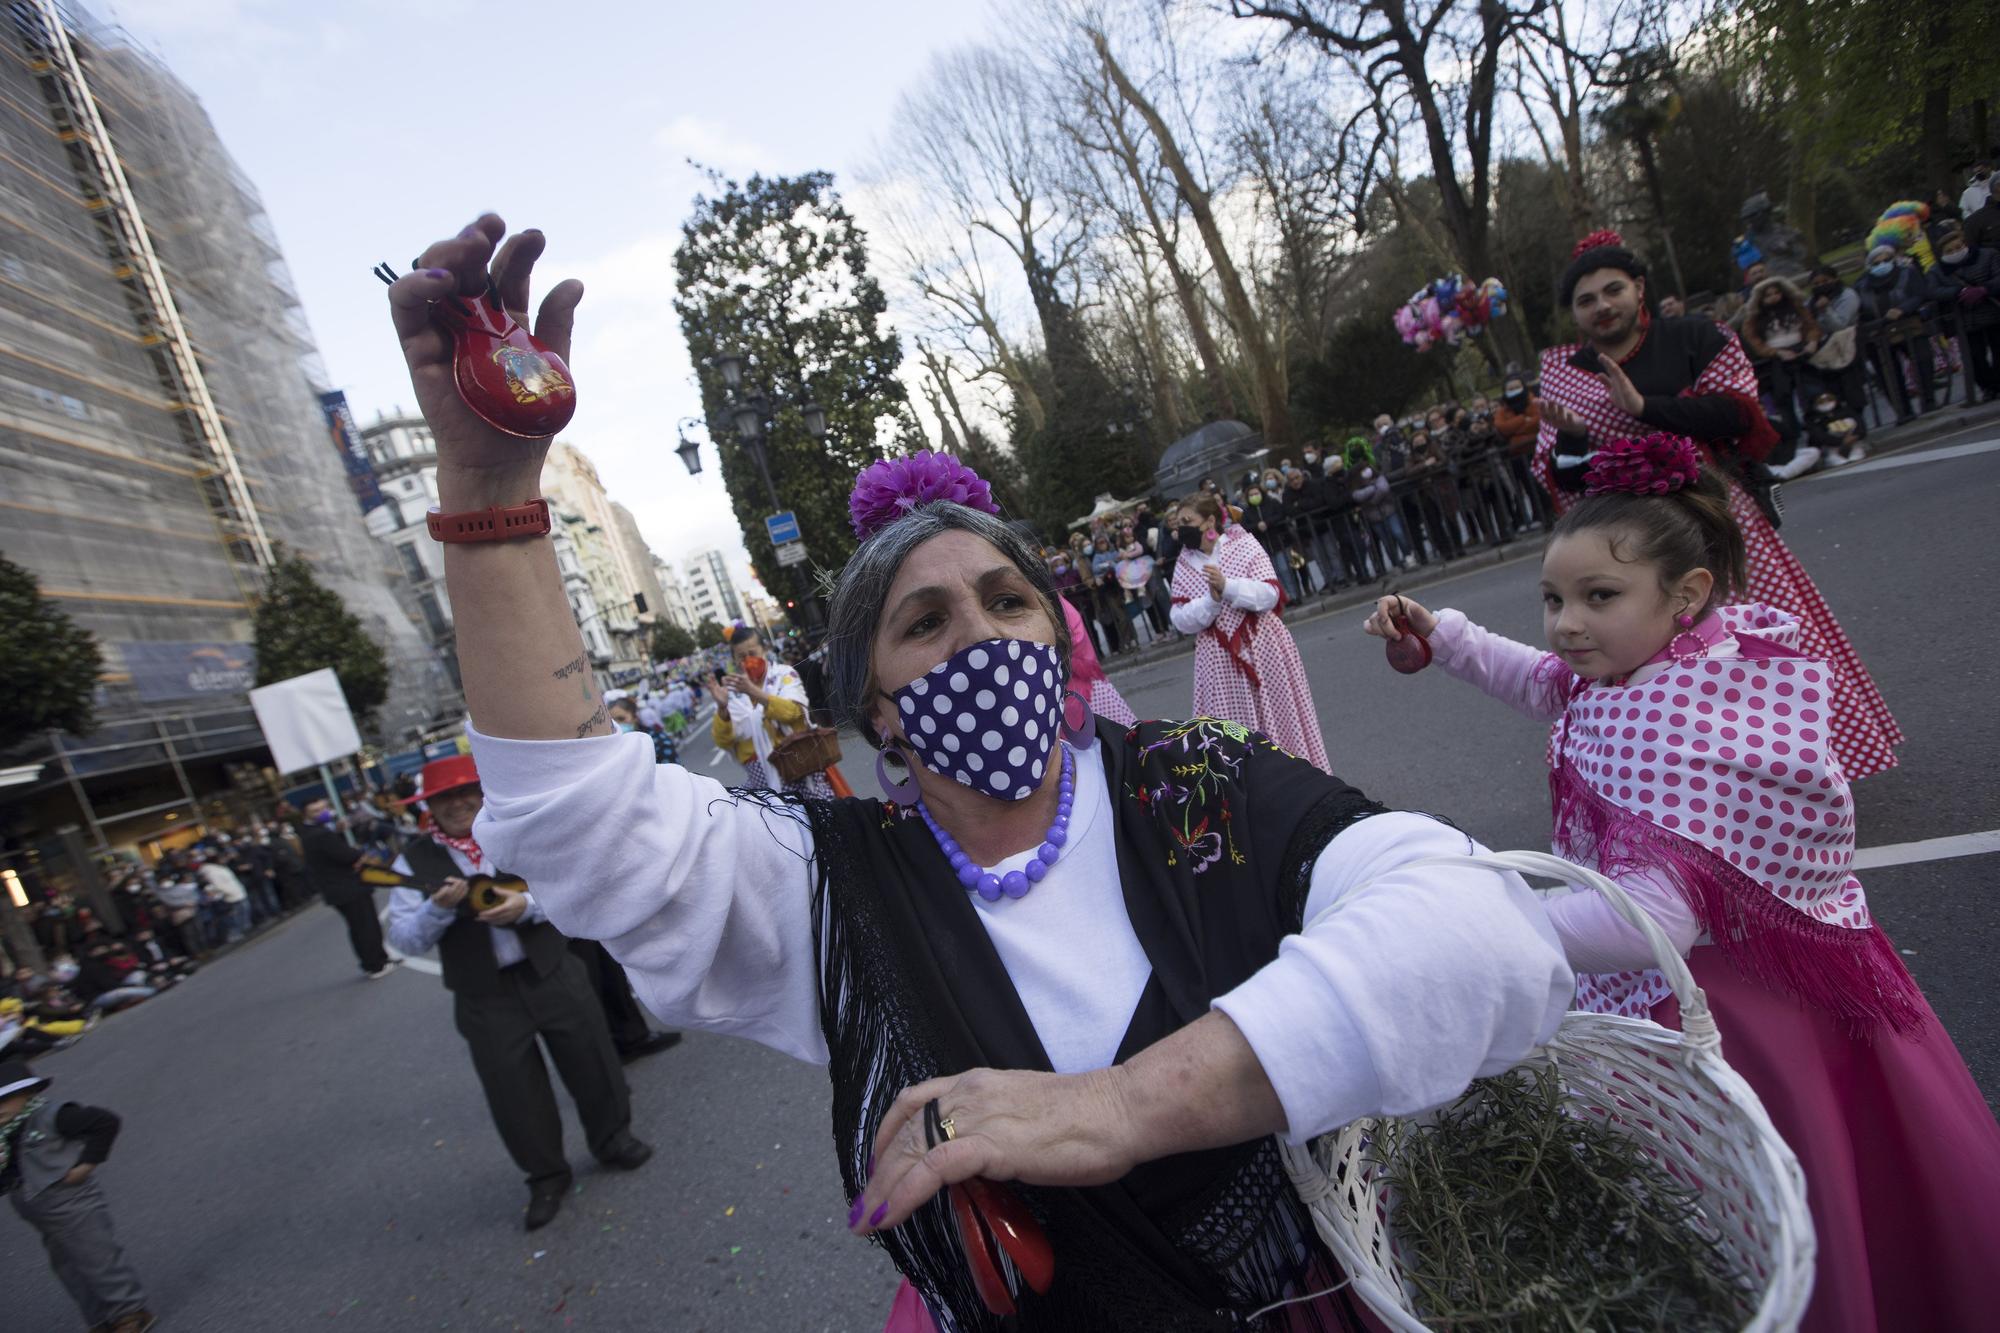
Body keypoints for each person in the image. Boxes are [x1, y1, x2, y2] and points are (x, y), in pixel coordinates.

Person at [380, 213, 1577, 1331]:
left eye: (1009, 600)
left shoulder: (1191, 786)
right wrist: (491, 505)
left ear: (1057, 644)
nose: (980, 635)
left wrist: (1120, 1105)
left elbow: (1484, 934)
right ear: (877, 710)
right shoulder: (829, 887)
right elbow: (578, 823)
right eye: (924, 620)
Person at [1365, 437, 2000, 1333]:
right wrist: (1447, 638)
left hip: (1744, 1011)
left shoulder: (1690, 715)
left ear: (1688, 593)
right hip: (1716, 982)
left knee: (1768, 1198)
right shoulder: (1653, 664)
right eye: (1554, 599)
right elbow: (1549, 684)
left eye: (1598, 597)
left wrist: (1490, 918)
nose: (1566, 624)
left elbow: (1648, 920)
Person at [1533, 228, 1902, 781]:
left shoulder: (1696, 337)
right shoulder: (1566, 372)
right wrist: (1574, 440)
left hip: (1716, 522)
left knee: (1763, 648)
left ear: (1639, 288)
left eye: (1613, 291)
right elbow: (1565, 478)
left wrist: (1643, 406)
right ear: (1574, 314)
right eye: (1586, 301)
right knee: (1659, 663)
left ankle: (1812, 769)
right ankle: (1700, 778)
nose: (1602, 307)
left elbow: (1740, 414)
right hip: (1626, 550)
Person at [384, 754, 653, 1230]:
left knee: (592, 1059)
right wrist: (437, 911)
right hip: (483, 995)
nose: (457, 803)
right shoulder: (411, 861)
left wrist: (525, 906)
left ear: (484, 791)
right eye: (444, 796)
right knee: (513, 1092)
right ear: (428, 807)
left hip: (551, 970)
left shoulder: (518, 831)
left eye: (466, 790)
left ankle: (614, 1138)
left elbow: (576, 887)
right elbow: (404, 939)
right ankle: (546, 1176)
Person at [1168, 492, 1332, 772]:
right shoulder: (1184, 562)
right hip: (1218, 657)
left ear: (1209, 521)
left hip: (1263, 646)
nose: (1180, 528)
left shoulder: (1242, 544)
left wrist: (1228, 586)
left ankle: (1296, 775)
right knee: (1228, 728)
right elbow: (1180, 619)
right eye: (1177, 522)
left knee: (1280, 714)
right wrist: (1212, 600)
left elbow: (1270, 593)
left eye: (1187, 520)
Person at [1, 1058, 154, 1333]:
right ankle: (100, 1319)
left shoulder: (55, 1115)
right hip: (38, 1207)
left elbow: (105, 1123)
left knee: (98, 1257)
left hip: (71, 1199)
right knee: (68, 1267)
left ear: (27, 1094)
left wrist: (86, 1165)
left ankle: (130, 1312)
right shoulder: (5, 1134)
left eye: (4, 1101)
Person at [706, 625, 835, 796]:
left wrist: (754, 692)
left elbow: (794, 712)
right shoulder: (730, 693)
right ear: (734, 659)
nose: (748, 660)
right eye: (741, 657)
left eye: (752, 653)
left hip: (799, 769)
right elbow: (723, 741)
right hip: (761, 783)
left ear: (764, 649)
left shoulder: (784, 675)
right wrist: (723, 709)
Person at [298, 799, 395, 979]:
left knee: (361, 925)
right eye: (316, 810)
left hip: (339, 888)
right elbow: (345, 855)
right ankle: (375, 964)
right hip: (347, 887)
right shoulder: (319, 834)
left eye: (323, 808)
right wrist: (359, 856)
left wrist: (339, 834)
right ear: (306, 814)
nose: (323, 812)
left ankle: (378, 959)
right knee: (365, 926)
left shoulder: (312, 833)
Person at [1738, 274, 1824, 474]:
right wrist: (1775, 352)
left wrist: (1811, 342)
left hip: (1803, 356)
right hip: (1778, 362)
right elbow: (1753, 339)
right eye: (1768, 295)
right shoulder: (1757, 318)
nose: (1774, 298)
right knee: (1785, 403)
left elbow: (1811, 326)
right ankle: (1796, 447)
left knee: (1812, 398)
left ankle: (1818, 441)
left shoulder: (1796, 309)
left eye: (1777, 293)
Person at [1853, 240, 1938, 422]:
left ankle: (1928, 401)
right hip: (1879, 333)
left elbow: (1919, 294)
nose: (1882, 265)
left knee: (1923, 359)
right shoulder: (1861, 285)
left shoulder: (1908, 273)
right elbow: (1858, 309)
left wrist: (1904, 309)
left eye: (1886, 260)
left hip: (1909, 325)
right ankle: (1903, 410)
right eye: (1876, 263)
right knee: (1889, 375)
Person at [1927, 218, 2000, 401]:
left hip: (1993, 312)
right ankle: (1989, 387)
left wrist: (1984, 289)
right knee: (1975, 358)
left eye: (1958, 247)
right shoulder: (1937, 271)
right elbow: (1933, 291)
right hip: (1965, 320)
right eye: (1949, 251)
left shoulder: (1988, 255)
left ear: (1965, 244)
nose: (1955, 252)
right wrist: (1959, 291)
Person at [1492, 374, 1552, 530]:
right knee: (1528, 486)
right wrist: (1522, 420)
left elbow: (1538, 420)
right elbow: (1503, 428)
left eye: (1516, 387)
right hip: (1517, 456)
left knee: (1543, 483)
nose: (1513, 391)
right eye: (1509, 388)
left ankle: (1551, 512)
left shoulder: (1533, 401)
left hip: (1537, 451)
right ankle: (1539, 515)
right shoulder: (1502, 409)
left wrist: (1516, 430)